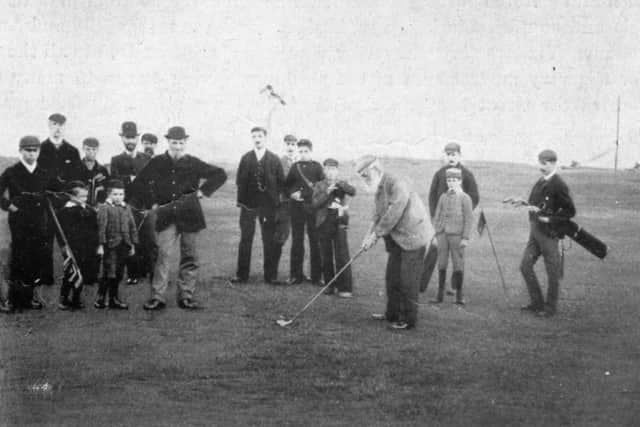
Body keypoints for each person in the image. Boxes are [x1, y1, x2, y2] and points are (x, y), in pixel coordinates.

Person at [135, 126, 227, 311]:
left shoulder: (192, 162)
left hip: (190, 215)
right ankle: (157, 297)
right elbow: (140, 183)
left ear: (185, 143)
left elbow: (220, 174)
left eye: (180, 143)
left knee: (189, 256)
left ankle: (186, 296)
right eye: (174, 142)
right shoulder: (157, 162)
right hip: (166, 216)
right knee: (162, 255)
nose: (177, 146)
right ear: (168, 142)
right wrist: (152, 202)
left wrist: (203, 191)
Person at [358, 155, 432, 330]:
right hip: (397, 240)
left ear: (375, 170)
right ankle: (392, 314)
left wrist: (375, 236)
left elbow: (394, 211)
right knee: (392, 278)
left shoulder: (396, 182)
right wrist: (367, 237)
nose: (364, 179)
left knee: (408, 281)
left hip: (414, 238)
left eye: (365, 175)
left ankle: (408, 320)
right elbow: (377, 214)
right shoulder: (379, 187)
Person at [520, 149, 575, 317]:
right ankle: (537, 303)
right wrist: (521, 203)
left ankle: (550, 308)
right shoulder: (540, 181)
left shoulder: (559, 184)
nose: (540, 167)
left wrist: (550, 219)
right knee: (525, 266)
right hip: (535, 232)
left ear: (553, 163)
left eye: (544, 164)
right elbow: (533, 203)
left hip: (549, 234)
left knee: (552, 272)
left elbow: (570, 211)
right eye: (540, 163)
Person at [0, 136, 52, 310]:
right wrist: (9, 206)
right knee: (19, 256)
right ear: (20, 151)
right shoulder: (11, 171)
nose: (31, 154)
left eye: (35, 150)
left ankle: (31, 297)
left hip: (38, 220)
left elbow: (54, 192)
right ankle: (15, 298)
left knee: (36, 256)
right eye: (28, 150)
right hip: (19, 220)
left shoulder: (44, 172)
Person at [421, 142, 479, 294]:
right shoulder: (439, 174)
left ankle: (454, 288)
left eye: (454, 155)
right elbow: (432, 196)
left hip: (457, 226)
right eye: (448, 155)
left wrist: (462, 213)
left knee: (457, 255)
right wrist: (435, 218)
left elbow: (474, 196)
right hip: (440, 223)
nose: (451, 157)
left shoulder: (467, 174)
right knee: (434, 251)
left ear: (459, 155)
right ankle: (420, 285)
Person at [232, 127, 286, 284]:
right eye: (254, 136)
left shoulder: (274, 159)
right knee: (245, 239)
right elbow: (239, 181)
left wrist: (275, 201)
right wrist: (242, 202)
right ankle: (242, 275)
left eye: (260, 136)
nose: (257, 139)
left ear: (265, 138)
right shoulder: (246, 158)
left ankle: (270, 276)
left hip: (268, 207)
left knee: (268, 240)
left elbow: (281, 183)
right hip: (248, 205)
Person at [38, 113, 83, 286]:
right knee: (45, 238)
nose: (57, 129)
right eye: (54, 124)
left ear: (65, 128)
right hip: (46, 201)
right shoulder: (41, 148)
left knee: (70, 238)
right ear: (49, 126)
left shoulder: (72, 151)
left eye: (61, 125)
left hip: (66, 201)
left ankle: (71, 275)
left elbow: (77, 178)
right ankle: (46, 276)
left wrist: (72, 198)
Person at [110, 121, 151, 285]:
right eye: (127, 138)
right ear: (122, 138)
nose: (130, 141)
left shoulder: (146, 158)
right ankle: (131, 273)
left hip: (143, 205)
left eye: (133, 138)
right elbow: (114, 180)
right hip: (126, 204)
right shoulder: (116, 159)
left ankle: (143, 271)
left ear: (137, 138)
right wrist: (130, 179)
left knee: (145, 238)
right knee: (128, 239)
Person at [311, 158, 356, 297]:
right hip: (324, 222)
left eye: (333, 169)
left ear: (337, 170)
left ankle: (345, 288)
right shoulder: (319, 185)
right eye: (328, 169)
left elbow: (352, 191)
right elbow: (315, 204)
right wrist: (327, 191)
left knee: (342, 254)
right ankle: (329, 285)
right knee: (326, 254)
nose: (330, 172)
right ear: (324, 170)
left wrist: (341, 184)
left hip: (339, 220)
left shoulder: (341, 182)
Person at [285, 139, 324, 285]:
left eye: (305, 151)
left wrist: (305, 195)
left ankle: (316, 276)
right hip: (296, 209)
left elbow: (322, 188)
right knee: (297, 241)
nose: (302, 154)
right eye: (300, 152)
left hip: (313, 208)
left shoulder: (317, 167)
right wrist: (292, 193)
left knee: (315, 241)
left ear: (311, 151)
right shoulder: (295, 167)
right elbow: (286, 185)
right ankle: (296, 275)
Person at [431, 168, 473, 305]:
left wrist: (465, 237)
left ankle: (459, 297)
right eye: (449, 180)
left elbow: (469, 219)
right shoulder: (443, 197)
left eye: (454, 180)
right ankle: (439, 296)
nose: (451, 183)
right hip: (442, 235)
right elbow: (437, 216)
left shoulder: (465, 198)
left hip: (457, 235)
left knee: (458, 264)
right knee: (442, 263)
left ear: (460, 181)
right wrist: (435, 233)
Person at [95, 180, 138, 310]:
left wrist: (133, 244)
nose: (118, 197)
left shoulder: (126, 207)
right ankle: (101, 298)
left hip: (124, 245)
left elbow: (132, 226)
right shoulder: (104, 208)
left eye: (121, 194)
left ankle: (113, 298)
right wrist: (101, 245)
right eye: (115, 194)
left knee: (119, 273)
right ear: (109, 195)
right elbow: (101, 228)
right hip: (110, 245)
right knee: (110, 272)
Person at [57, 182, 99, 310]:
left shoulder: (89, 210)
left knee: (83, 272)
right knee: (71, 272)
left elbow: (94, 227)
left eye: (86, 197)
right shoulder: (65, 212)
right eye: (81, 197)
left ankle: (76, 298)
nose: (84, 199)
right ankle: (64, 298)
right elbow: (61, 232)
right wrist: (64, 246)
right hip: (73, 247)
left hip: (87, 247)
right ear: (71, 196)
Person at [272, 134, 298, 258]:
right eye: (288, 144)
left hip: (299, 204)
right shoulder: (279, 162)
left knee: (298, 238)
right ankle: (272, 273)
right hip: (285, 203)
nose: (290, 147)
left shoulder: (299, 162)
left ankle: (297, 274)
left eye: (293, 144)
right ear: (284, 145)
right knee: (281, 236)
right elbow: (280, 183)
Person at [79, 137, 110, 206]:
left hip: (98, 207)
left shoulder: (103, 170)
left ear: (98, 150)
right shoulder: (76, 168)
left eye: (94, 149)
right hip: (80, 206)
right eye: (88, 149)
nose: (91, 152)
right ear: (83, 149)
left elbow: (107, 189)